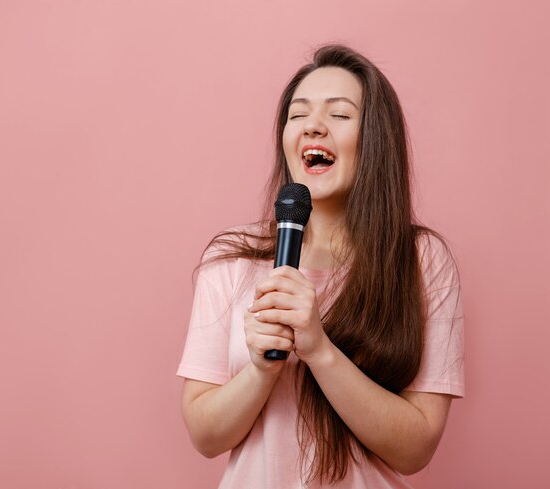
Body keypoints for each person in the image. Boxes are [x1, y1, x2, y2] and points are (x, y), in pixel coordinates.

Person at [177, 44, 464, 489]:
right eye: (298, 115)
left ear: (375, 140)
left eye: (340, 115)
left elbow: (416, 449)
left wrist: (319, 349)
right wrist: (261, 370)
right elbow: (205, 434)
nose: (313, 126)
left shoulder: (420, 261)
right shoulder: (231, 260)